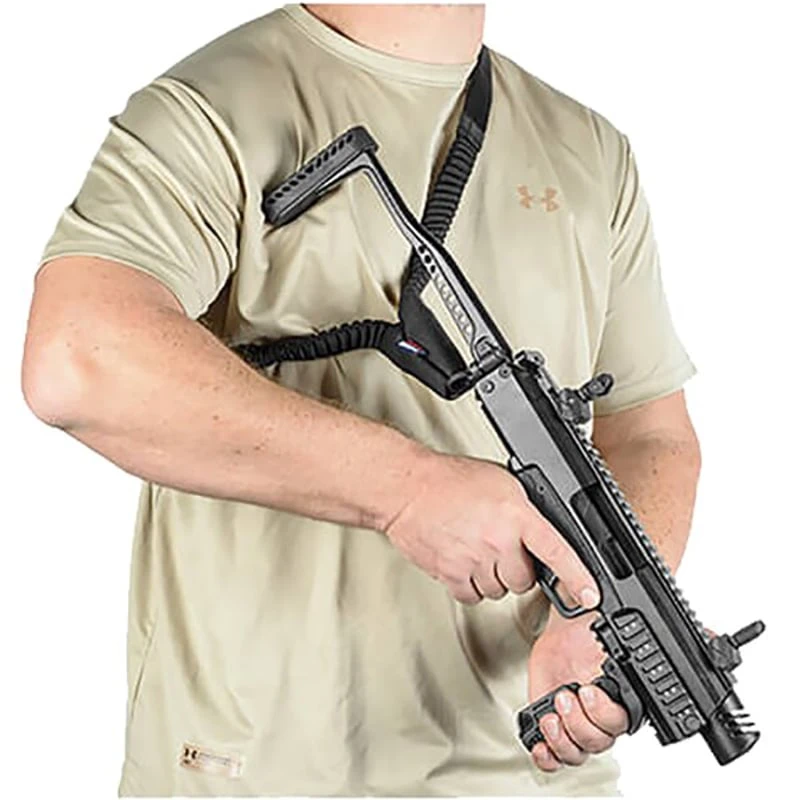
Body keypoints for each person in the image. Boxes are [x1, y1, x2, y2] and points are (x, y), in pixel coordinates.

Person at [21, 3, 702, 796]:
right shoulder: (214, 109)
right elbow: (78, 356)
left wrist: (597, 615)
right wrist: (408, 491)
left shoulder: (590, 149)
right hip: (264, 771)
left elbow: (651, 433)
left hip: (535, 777)